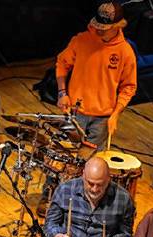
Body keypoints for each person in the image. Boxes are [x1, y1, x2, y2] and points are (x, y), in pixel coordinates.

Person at [55, 1, 137, 149]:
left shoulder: (125, 52)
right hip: (74, 112)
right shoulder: (81, 40)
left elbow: (129, 87)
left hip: (102, 120)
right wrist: (62, 93)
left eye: (104, 28)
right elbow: (62, 63)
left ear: (118, 26)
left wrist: (116, 114)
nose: (99, 30)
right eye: (97, 26)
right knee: (64, 158)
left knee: (90, 164)